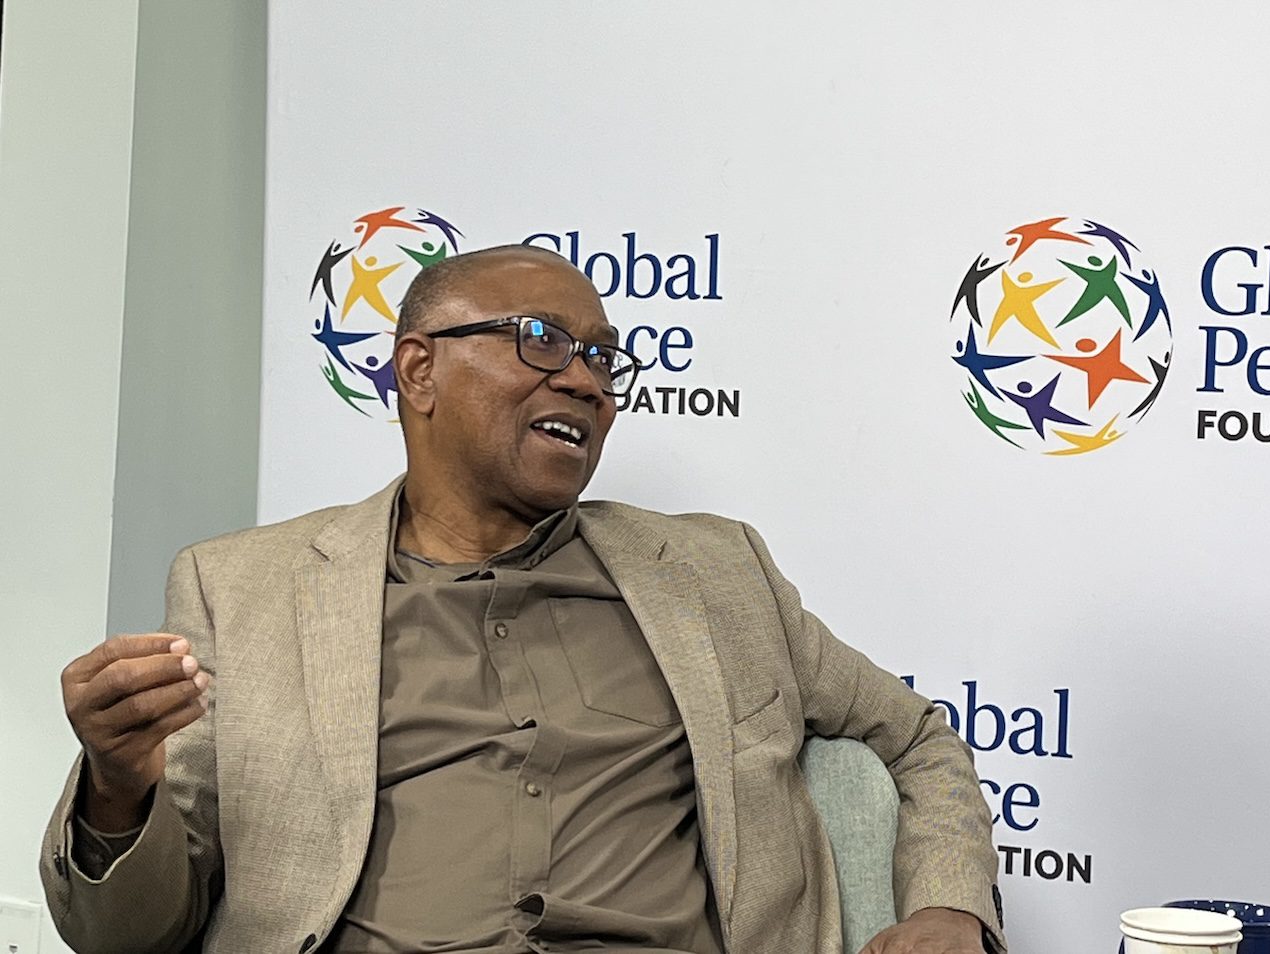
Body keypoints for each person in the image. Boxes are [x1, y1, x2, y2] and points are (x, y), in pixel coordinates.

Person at [40, 246, 1005, 954]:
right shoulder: (239, 588)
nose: (583, 380)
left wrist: (949, 908)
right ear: (418, 370)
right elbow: (131, 937)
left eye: (601, 357)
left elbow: (917, 736)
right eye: (541, 342)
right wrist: (120, 787)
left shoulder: (717, 572)